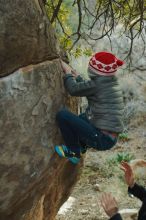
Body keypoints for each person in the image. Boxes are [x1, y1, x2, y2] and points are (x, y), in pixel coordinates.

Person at [55, 51, 124, 164]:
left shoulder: (97, 84)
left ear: (94, 70)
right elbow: (92, 91)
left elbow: (73, 90)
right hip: (109, 137)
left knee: (63, 116)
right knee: (83, 117)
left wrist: (67, 73)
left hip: (102, 138)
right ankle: (82, 145)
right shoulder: (111, 83)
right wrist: (78, 78)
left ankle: (74, 152)